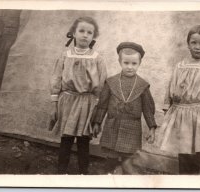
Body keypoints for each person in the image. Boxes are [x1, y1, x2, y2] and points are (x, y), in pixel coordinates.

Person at [157, 25, 200, 174]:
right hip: (180, 112)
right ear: (188, 44)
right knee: (183, 148)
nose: (197, 47)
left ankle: (193, 180)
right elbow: (170, 86)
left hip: (199, 114)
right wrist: (167, 106)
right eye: (193, 42)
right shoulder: (180, 66)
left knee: (194, 150)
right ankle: (184, 179)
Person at [49, 17, 107, 174]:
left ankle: (83, 173)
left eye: (90, 32)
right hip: (67, 100)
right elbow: (56, 78)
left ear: (93, 36)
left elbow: (101, 84)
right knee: (66, 139)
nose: (85, 35)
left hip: (87, 103)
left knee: (83, 140)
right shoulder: (65, 55)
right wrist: (54, 103)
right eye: (81, 31)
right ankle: (61, 172)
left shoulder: (97, 59)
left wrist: (96, 107)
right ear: (73, 33)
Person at [92, 42, 157, 174]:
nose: (130, 67)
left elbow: (148, 109)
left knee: (128, 163)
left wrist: (152, 128)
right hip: (112, 126)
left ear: (139, 63)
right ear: (120, 62)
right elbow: (102, 105)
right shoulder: (111, 82)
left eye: (134, 64)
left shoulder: (142, 85)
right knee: (110, 161)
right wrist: (97, 122)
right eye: (126, 63)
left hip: (132, 128)